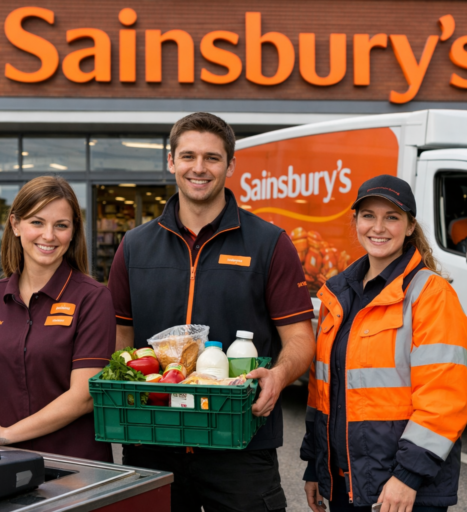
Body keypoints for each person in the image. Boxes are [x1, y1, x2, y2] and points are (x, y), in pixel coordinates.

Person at [107, 112, 315, 512]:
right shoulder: (134, 246)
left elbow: (300, 337)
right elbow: (120, 339)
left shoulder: (269, 243)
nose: (199, 168)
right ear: (171, 161)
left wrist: (279, 375)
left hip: (240, 441)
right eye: (188, 156)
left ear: (231, 165)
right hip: (153, 440)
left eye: (212, 158)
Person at [302, 175, 467, 512]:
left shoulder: (431, 294)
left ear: (409, 227)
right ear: (356, 222)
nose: (378, 227)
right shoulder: (337, 293)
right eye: (368, 216)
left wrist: (407, 477)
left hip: (403, 491)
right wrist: (316, 466)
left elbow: (444, 399)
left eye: (391, 217)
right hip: (344, 483)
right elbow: (321, 392)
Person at [0, 176, 115, 462]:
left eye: (61, 225)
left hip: (74, 465)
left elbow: (84, 395)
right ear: (15, 225)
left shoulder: (93, 298)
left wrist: (7, 434)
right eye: (37, 222)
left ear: (73, 232)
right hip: (2, 462)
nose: (49, 235)